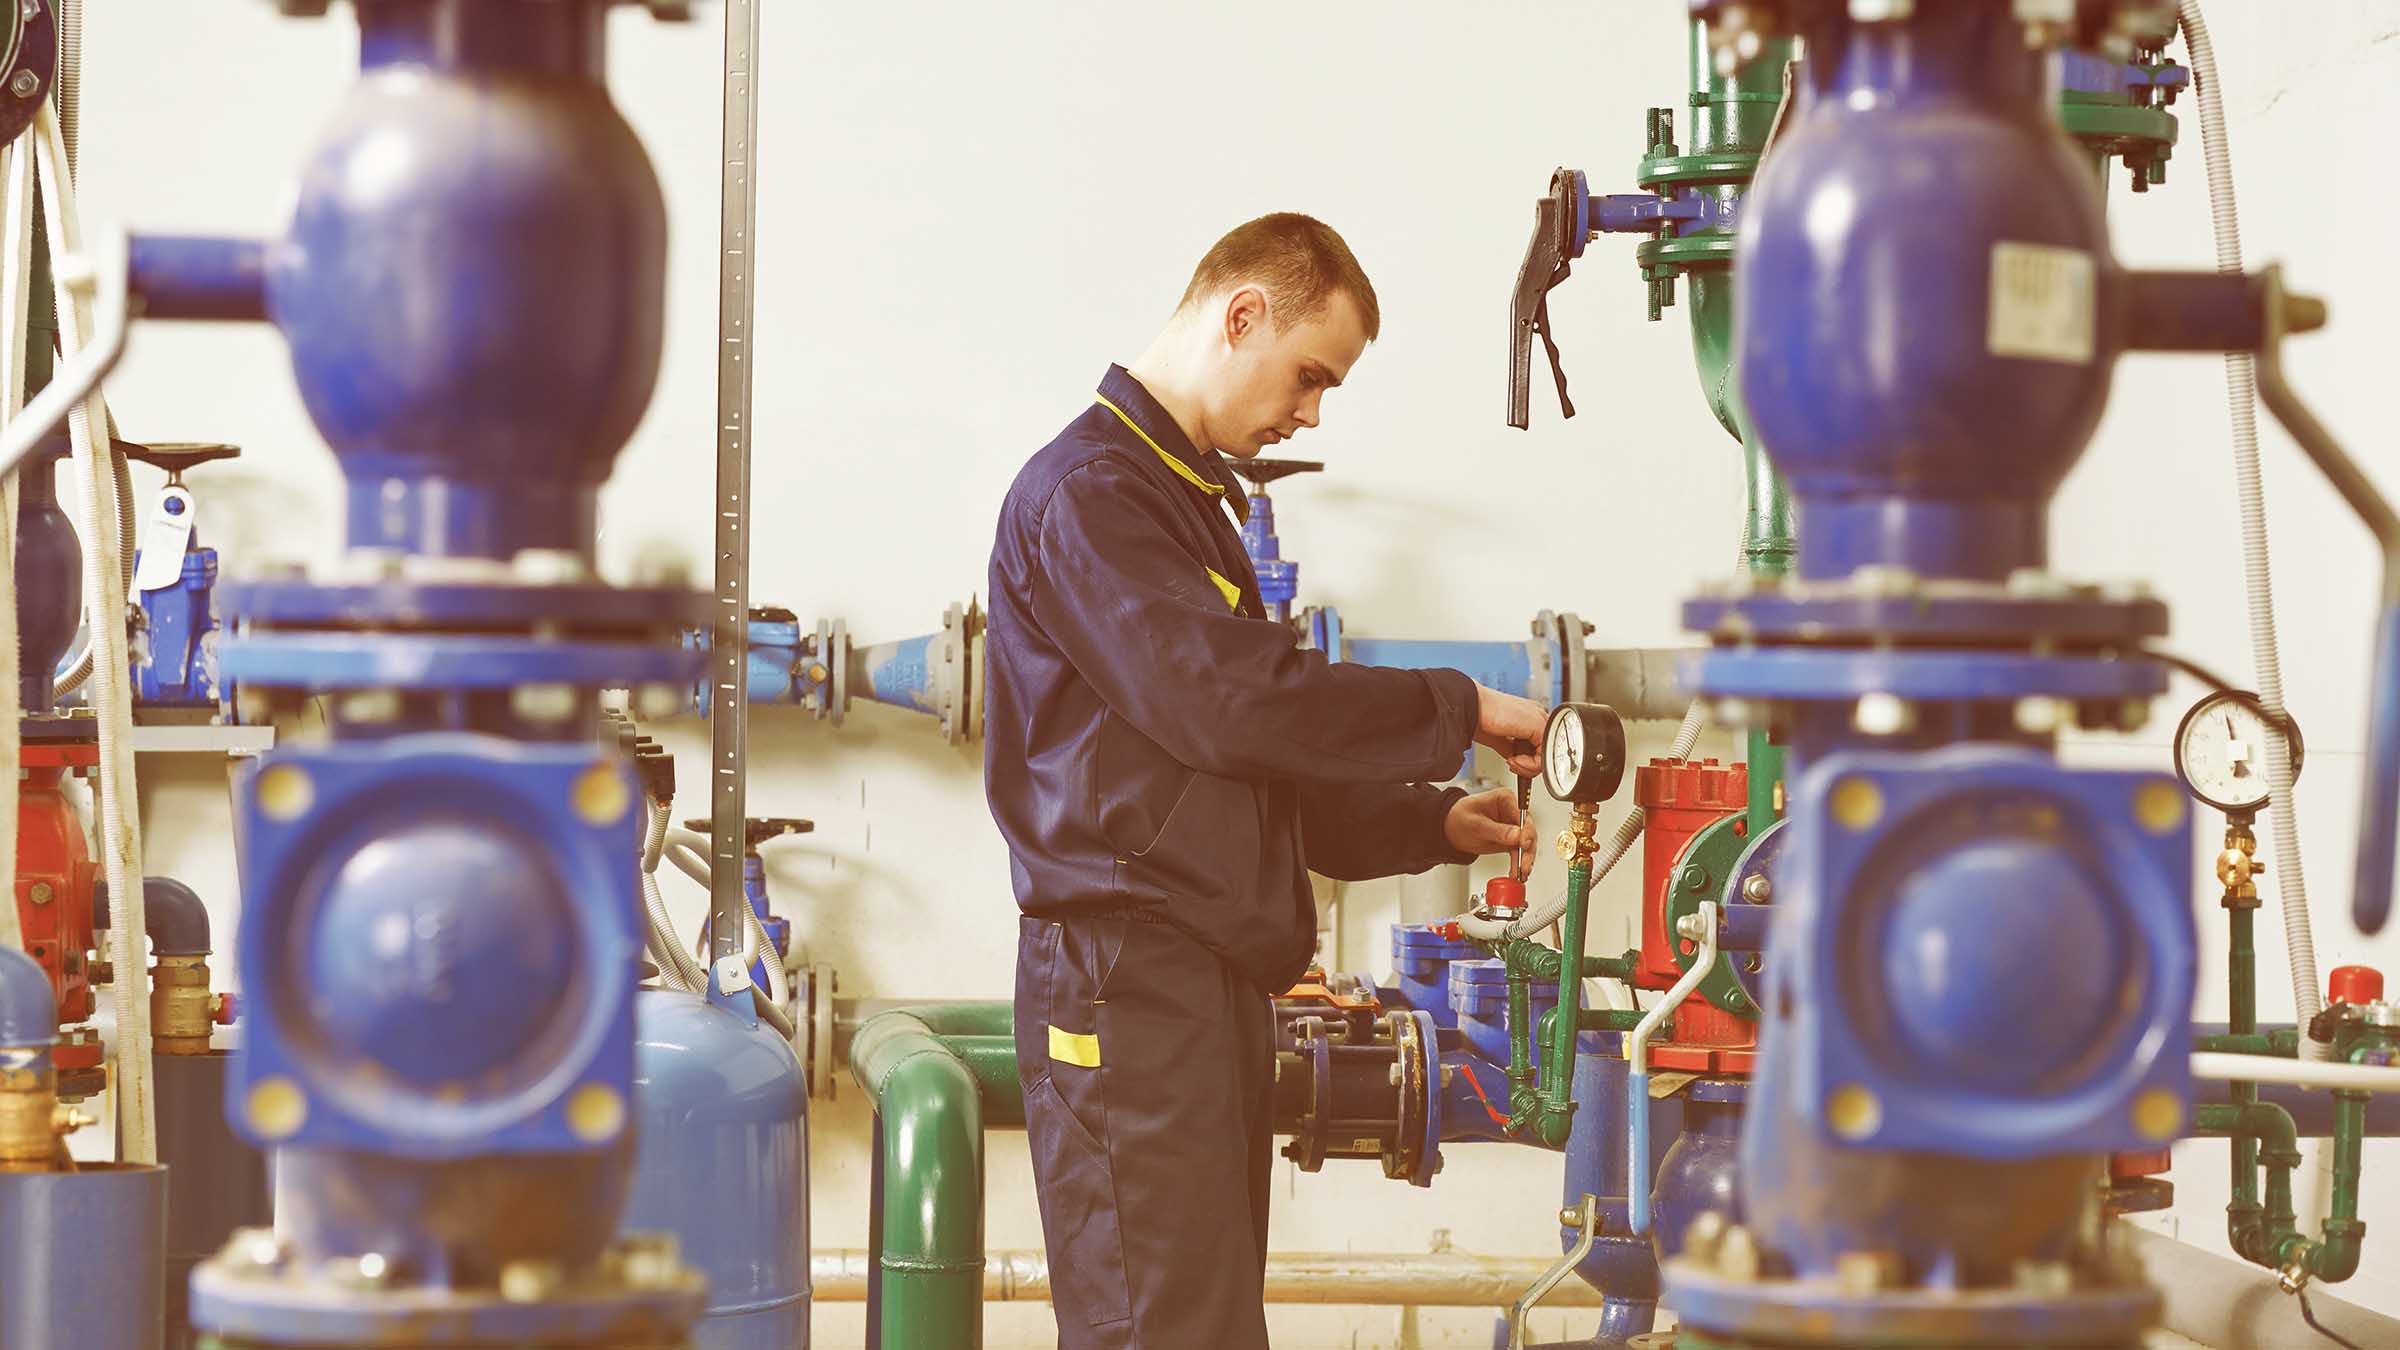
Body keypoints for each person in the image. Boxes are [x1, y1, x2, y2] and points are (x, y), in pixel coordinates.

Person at [984, 212, 1548, 1349]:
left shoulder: (1183, 505)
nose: (1311, 412)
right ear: (1241, 315)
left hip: (1195, 986)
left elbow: (1251, 765)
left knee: (1208, 1329)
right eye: (1309, 375)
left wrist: (1438, 823)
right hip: (1128, 981)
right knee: (1163, 1332)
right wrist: (1460, 707)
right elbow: (1231, 702)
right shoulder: (1091, 495)